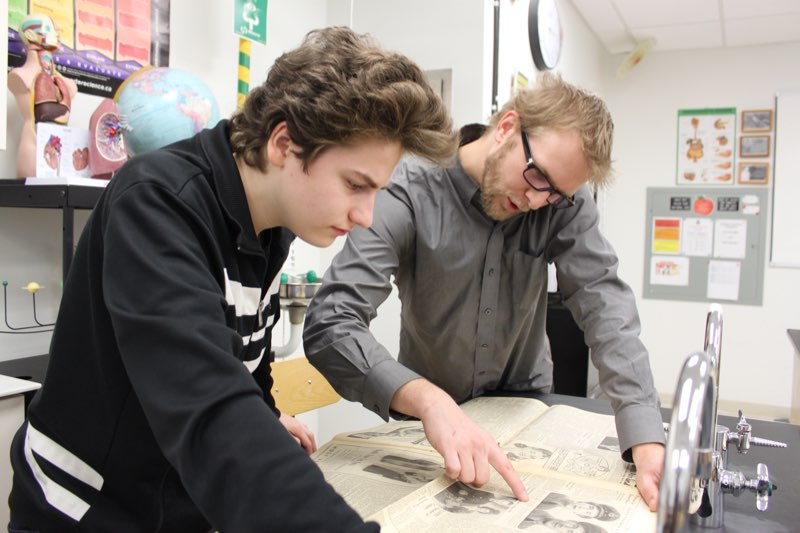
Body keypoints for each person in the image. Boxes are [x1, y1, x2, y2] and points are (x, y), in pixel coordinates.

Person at [8, 27, 455, 532]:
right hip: (85, 512)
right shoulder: (157, 203)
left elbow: (238, 351)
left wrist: (263, 409)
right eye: (355, 185)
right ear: (285, 143)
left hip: (178, 503)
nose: (366, 216)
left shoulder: (271, 225)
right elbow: (208, 405)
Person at [304, 72, 665, 509]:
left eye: (556, 195)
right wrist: (427, 400)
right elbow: (333, 321)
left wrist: (645, 435)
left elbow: (603, 301)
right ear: (508, 128)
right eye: (536, 178)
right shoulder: (409, 187)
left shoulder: (559, 200)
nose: (538, 202)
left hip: (526, 405)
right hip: (431, 417)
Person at [7, 13, 78, 178]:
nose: (56, 33)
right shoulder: (19, 75)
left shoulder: (67, 84)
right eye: (48, 29)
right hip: (32, 152)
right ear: (30, 35)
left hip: (62, 152)